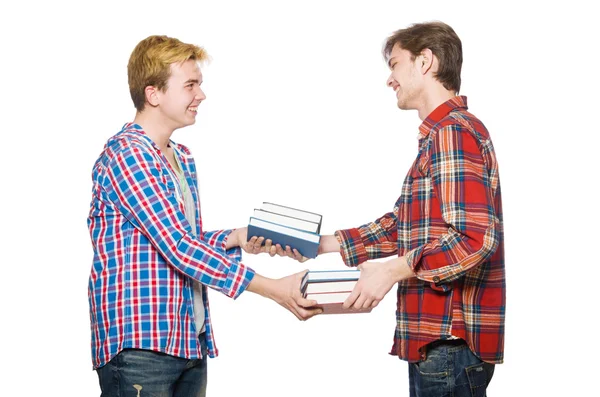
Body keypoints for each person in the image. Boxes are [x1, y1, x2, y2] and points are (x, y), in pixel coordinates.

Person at [87, 35, 320, 397]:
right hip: (142, 347)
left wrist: (237, 237)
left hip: (185, 339)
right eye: (190, 85)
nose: (201, 95)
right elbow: (178, 247)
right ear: (154, 94)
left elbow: (179, 242)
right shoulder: (130, 155)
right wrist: (274, 289)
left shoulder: (179, 157)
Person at [313, 22, 505, 396]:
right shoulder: (442, 134)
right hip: (438, 346)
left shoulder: (453, 132)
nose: (390, 79)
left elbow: (475, 240)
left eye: (395, 64)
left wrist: (391, 271)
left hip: (448, 345)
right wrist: (321, 245)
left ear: (425, 61)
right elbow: (402, 226)